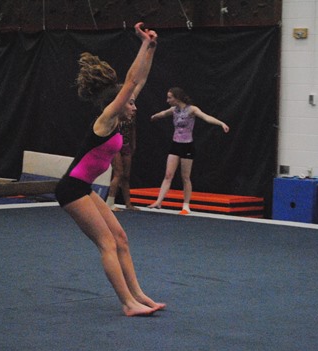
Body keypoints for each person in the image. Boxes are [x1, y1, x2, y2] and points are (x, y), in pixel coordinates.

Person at [54, 22, 165, 317]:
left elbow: (138, 82)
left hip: (84, 188)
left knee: (121, 239)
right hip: (71, 189)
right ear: (116, 103)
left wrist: (151, 48)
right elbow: (130, 82)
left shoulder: (118, 118)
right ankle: (127, 304)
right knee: (106, 243)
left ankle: (138, 294)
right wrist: (141, 44)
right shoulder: (105, 120)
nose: (135, 105)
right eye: (130, 102)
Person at [147, 87, 230, 215]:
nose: (167, 100)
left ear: (177, 97)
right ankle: (159, 201)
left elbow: (206, 117)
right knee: (168, 175)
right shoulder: (174, 110)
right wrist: (154, 116)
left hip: (187, 146)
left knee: (185, 177)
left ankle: (186, 205)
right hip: (175, 145)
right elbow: (163, 113)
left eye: (170, 97)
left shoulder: (192, 109)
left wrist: (221, 123)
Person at [105, 114, 138, 211]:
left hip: (126, 145)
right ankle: (109, 202)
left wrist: (133, 144)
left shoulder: (131, 113)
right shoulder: (116, 113)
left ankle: (128, 204)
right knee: (118, 173)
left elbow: (133, 130)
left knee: (126, 176)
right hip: (115, 146)